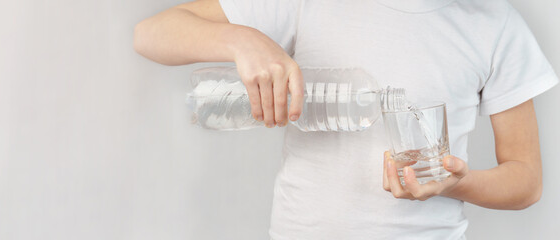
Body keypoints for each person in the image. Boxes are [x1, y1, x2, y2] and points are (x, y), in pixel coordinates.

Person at [134, 0, 559, 239]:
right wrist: (242, 38)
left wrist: (456, 183)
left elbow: (526, 181)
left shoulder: (496, 24)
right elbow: (150, 34)